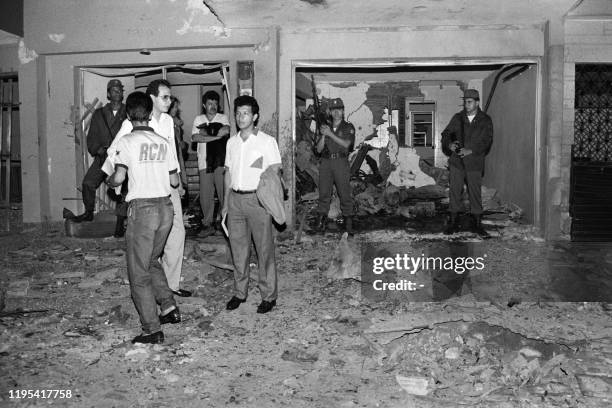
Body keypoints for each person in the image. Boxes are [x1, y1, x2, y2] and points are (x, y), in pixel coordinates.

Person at [103, 79, 191, 298]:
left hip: (168, 184)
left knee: (177, 233)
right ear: (152, 98)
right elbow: (114, 151)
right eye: (165, 97)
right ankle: (155, 287)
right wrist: (116, 181)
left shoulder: (169, 121)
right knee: (150, 246)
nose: (170, 101)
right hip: (146, 188)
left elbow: (172, 151)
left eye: (170, 97)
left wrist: (178, 181)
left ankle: (171, 286)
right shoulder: (132, 122)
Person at [106, 91, 180, 344]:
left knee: (138, 272)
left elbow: (118, 178)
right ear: (150, 114)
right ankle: (169, 306)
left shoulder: (127, 142)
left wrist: (109, 180)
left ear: (128, 114)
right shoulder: (163, 141)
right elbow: (175, 180)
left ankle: (152, 328)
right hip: (165, 210)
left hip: (144, 210)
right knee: (151, 260)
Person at [223, 95, 281, 314]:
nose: (241, 117)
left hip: (257, 200)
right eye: (238, 113)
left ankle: (269, 295)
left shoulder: (267, 141)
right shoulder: (232, 142)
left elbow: (275, 170)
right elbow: (228, 172)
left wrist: (265, 195)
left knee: (264, 249)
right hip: (236, 200)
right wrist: (226, 202)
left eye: (245, 113)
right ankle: (240, 292)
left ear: (255, 116)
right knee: (238, 250)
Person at [73, 79, 127, 235]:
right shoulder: (99, 113)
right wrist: (97, 150)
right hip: (103, 157)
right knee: (88, 183)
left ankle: (120, 222)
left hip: (121, 158)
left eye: (120, 90)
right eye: (115, 90)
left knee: (122, 191)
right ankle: (89, 212)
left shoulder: (128, 112)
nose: (118, 93)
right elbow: (92, 137)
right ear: (108, 94)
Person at [441, 89, 493, 237]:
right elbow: (445, 134)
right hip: (457, 162)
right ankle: (453, 223)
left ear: (477, 102)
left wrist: (471, 150)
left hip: (474, 162)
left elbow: (487, 140)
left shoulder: (485, 120)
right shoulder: (458, 118)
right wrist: (449, 145)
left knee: (475, 193)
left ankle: (477, 224)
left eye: (469, 102)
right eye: (465, 102)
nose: (466, 105)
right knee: (454, 192)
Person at [190, 90, 230, 237]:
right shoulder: (198, 119)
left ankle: (223, 222)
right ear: (204, 105)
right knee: (205, 196)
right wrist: (215, 137)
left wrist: (206, 134)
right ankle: (207, 224)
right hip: (204, 162)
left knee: (223, 193)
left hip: (220, 161)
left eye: (215, 103)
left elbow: (225, 130)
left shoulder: (223, 117)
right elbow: (195, 138)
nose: (212, 106)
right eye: (209, 103)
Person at [315, 98, 356, 234]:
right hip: (326, 162)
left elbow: (346, 144)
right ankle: (320, 224)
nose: (337, 112)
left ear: (343, 111)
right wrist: (322, 135)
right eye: (334, 110)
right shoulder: (326, 127)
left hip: (340, 162)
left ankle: (348, 224)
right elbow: (319, 149)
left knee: (344, 193)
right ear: (331, 112)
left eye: (339, 109)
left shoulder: (348, 127)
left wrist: (330, 134)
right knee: (324, 193)